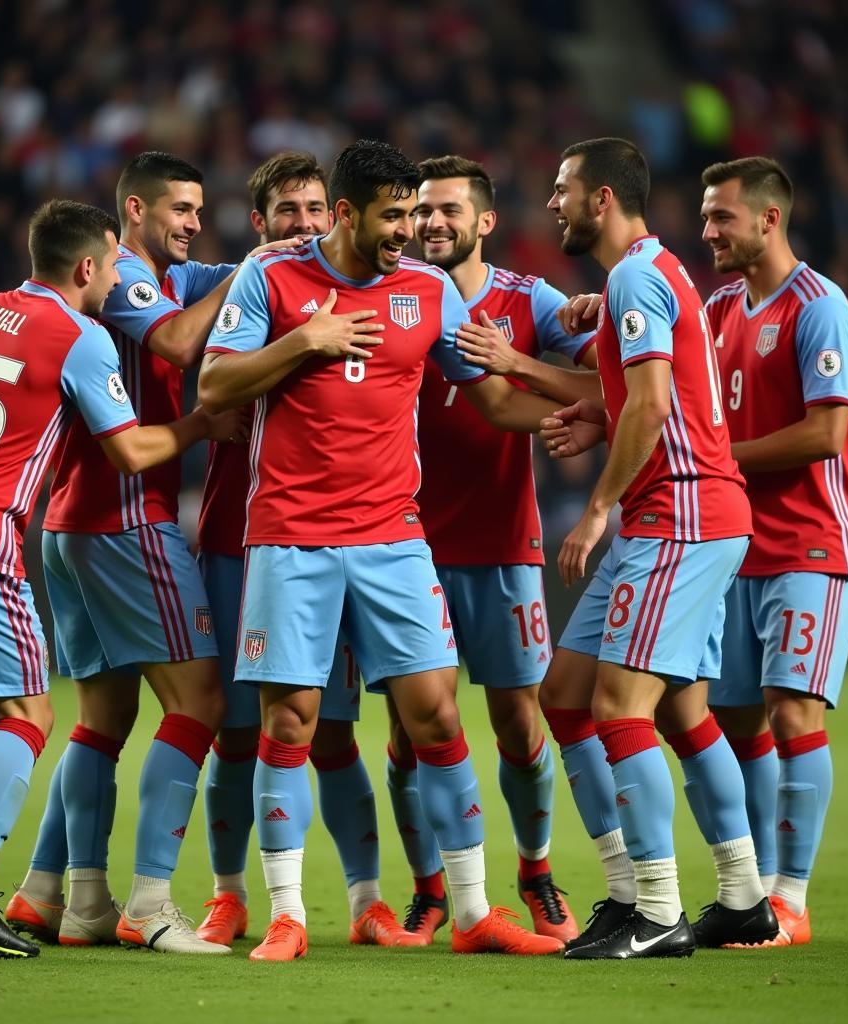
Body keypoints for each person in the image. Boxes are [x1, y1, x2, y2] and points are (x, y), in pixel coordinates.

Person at [198, 138, 570, 962]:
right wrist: (306, 341)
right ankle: (290, 914)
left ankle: (474, 912)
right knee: (290, 722)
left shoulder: (428, 290)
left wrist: (589, 409)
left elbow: (499, 402)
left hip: (394, 540)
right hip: (290, 536)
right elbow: (214, 387)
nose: (409, 230)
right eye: (392, 215)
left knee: (437, 712)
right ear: (344, 214)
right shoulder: (273, 279)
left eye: (414, 213)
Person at [0, 199, 217, 959]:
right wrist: (198, 425)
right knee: (28, 715)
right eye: (109, 268)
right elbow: (130, 452)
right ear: (90, 266)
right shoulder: (80, 336)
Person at [5, 152, 272, 955]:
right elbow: (184, 343)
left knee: (105, 716)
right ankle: (151, 903)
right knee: (201, 705)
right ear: (134, 209)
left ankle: (60, 892)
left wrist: (279, 257)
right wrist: (254, 270)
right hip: (127, 523)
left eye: (199, 209)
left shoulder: (165, 274)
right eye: (179, 210)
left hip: (72, 525)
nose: (194, 222)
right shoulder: (122, 278)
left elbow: (226, 283)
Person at [537, 137, 775, 959]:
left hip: (678, 518)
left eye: (563, 190)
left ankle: (659, 912)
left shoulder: (637, 276)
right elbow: (642, 398)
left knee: (617, 709)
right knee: (576, 697)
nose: (552, 204)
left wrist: (597, 507)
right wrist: (598, 406)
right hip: (680, 517)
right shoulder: (652, 273)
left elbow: (650, 405)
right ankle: (740, 898)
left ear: (602, 199)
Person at [195, 150, 418, 948]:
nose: (304, 224)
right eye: (287, 212)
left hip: (344, 536)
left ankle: (366, 902)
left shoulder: (366, 289)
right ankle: (230, 896)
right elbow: (207, 375)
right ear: (259, 224)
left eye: (316, 209)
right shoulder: (250, 285)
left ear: (340, 215)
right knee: (236, 727)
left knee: (333, 728)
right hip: (243, 531)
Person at [381, 153, 596, 945]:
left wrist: (586, 320)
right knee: (411, 731)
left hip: (504, 545)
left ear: (484, 221)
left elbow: (600, 365)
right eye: (421, 211)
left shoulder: (528, 299)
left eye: (448, 210)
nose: (432, 223)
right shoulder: (391, 289)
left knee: (518, 719)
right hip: (402, 548)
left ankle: (536, 872)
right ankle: (430, 888)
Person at [700, 157, 848, 946]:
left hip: (809, 540)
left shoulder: (819, 306)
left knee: (793, 710)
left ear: (769, 219)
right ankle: (759, 894)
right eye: (705, 218)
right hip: (735, 547)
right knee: (734, 715)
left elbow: (828, 432)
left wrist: (721, 457)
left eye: (721, 218)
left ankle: (791, 898)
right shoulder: (720, 306)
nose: (707, 232)